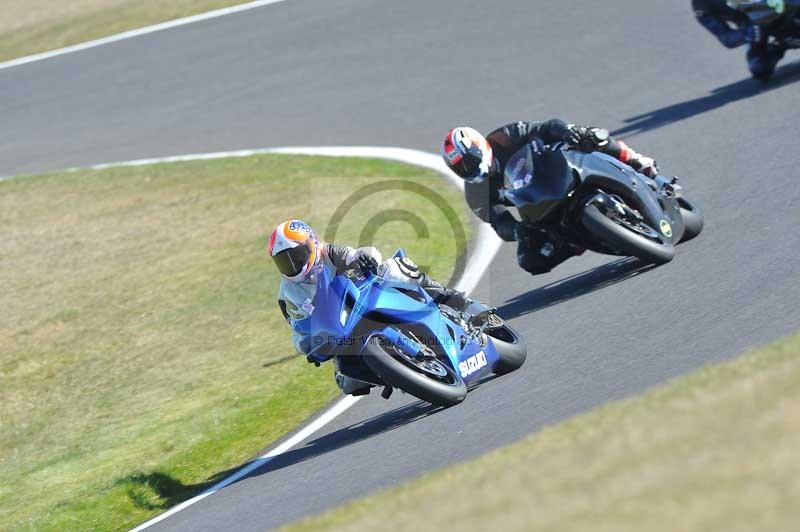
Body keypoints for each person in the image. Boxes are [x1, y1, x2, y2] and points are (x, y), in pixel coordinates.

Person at [268, 219, 470, 395]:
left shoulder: (327, 253)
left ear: (310, 244)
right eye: (283, 261)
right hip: (340, 330)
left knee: (394, 269)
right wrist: (308, 345)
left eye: (295, 255)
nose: (292, 264)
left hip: (363, 300)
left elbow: (356, 254)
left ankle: (444, 296)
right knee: (348, 382)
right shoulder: (286, 294)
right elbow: (296, 327)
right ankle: (393, 371)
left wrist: (365, 258)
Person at [440, 120, 658, 275]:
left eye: (468, 160)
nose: (467, 168)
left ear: (480, 146)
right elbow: (498, 220)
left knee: (593, 137)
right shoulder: (476, 193)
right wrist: (517, 230)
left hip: (558, 170)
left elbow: (545, 128)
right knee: (530, 260)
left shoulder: (504, 137)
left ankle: (635, 160)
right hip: (540, 206)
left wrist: (568, 132)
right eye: (460, 167)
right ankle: (577, 242)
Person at [693, 0, 787, 80]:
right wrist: (748, 33)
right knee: (759, 68)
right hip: (752, 24)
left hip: (774, 5)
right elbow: (726, 38)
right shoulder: (701, 7)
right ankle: (780, 45)